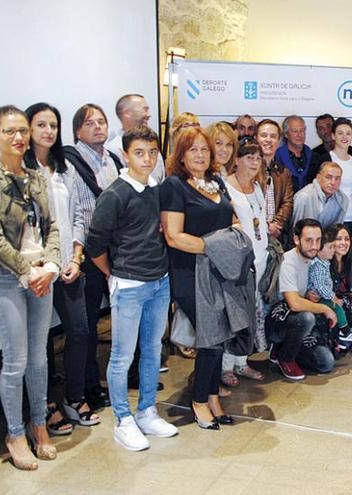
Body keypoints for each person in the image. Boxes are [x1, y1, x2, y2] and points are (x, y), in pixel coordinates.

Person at [0, 106, 61, 469]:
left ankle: (39, 426)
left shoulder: (35, 177)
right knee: (16, 362)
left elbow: (52, 226)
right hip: (9, 279)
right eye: (9, 131)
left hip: (42, 276)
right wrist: (28, 272)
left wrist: (52, 266)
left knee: (39, 359)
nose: (19, 138)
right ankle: (14, 433)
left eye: (22, 130)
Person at [86, 126, 177, 450]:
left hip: (159, 282)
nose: (147, 159)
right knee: (122, 356)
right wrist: (114, 275)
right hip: (128, 286)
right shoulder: (114, 194)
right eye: (139, 152)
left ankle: (147, 410)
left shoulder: (158, 188)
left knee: (152, 351)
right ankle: (123, 420)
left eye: (152, 152)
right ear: (125, 155)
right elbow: (94, 244)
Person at [23, 103, 96, 434]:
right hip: (38, 269)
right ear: (28, 129)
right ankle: (46, 406)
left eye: (53, 125)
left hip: (68, 265)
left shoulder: (64, 169)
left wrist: (77, 256)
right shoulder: (21, 171)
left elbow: (79, 213)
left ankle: (74, 396)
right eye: (41, 125)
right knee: (41, 342)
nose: (48, 131)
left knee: (79, 331)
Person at [160, 126, 238, 429]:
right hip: (189, 274)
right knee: (211, 337)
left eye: (204, 149)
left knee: (219, 337)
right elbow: (174, 236)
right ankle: (198, 400)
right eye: (193, 149)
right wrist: (215, 246)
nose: (200, 155)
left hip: (218, 271)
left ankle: (213, 396)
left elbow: (231, 219)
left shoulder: (216, 182)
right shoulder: (174, 186)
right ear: (181, 154)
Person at [65, 103, 123, 411]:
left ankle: (105, 382)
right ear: (78, 130)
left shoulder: (112, 159)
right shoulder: (69, 163)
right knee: (85, 327)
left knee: (115, 321)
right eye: (90, 123)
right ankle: (87, 387)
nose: (98, 127)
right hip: (85, 254)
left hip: (114, 252)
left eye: (102, 122)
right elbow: (75, 211)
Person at [220, 141, 270, 387]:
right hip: (237, 261)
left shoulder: (259, 186)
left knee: (250, 313)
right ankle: (225, 366)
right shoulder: (226, 187)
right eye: (248, 157)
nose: (253, 162)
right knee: (234, 315)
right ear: (237, 160)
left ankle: (241, 362)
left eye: (258, 158)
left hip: (259, 259)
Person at [266, 219, 339, 380]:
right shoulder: (288, 261)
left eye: (318, 240)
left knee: (326, 363)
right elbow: (294, 303)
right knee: (307, 317)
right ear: (296, 239)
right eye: (308, 240)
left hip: (296, 320)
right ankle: (285, 357)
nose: (314, 246)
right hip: (277, 321)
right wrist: (326, 309)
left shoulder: (313, 259)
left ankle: (283, 349)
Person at [307, 225, 352, 345]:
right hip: (321, 300)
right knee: (339, 305)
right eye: (339, 239)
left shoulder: (346, 261)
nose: (343, 243)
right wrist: (333, 297)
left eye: (347, 239)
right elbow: (319, 286)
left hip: (335, 300)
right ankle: (342, 334)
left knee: (351, 300)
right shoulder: (320, 264)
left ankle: (344, 335)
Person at [310, 118, 352, 234]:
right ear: (333, 136)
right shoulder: (324, 159)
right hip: (331, 217)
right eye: (340, 133)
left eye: (348, 133)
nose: (344, 137)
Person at [106, 94, 165, 182]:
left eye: (152, 152)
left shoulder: (151, 142)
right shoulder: (113, 149)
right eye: (144, 109)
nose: (148, 115)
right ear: (127, 113)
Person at [256, 119, 294, 244]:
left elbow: (287, 202)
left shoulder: (284, 172)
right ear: (256, 138)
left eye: (273, 136)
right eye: (264, 136)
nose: (268, 140)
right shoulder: (246, 170)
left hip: (276, 234)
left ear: (278, 141)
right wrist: (265, 226)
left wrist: (276, 224)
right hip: (253, 232)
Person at [292, 162, 348, 228]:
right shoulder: (304, 197)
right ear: (318, 177)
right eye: (328, 177)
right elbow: (295, 230)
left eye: (337, 178)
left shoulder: (343, 199)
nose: (333, 182)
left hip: (327, 237)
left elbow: (336, 231)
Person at [276, 115, 313, 192]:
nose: (299, 135)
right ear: (286, 134)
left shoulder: (313, 156)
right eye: (295, 131)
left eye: (302, 131)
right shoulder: (277, 157)